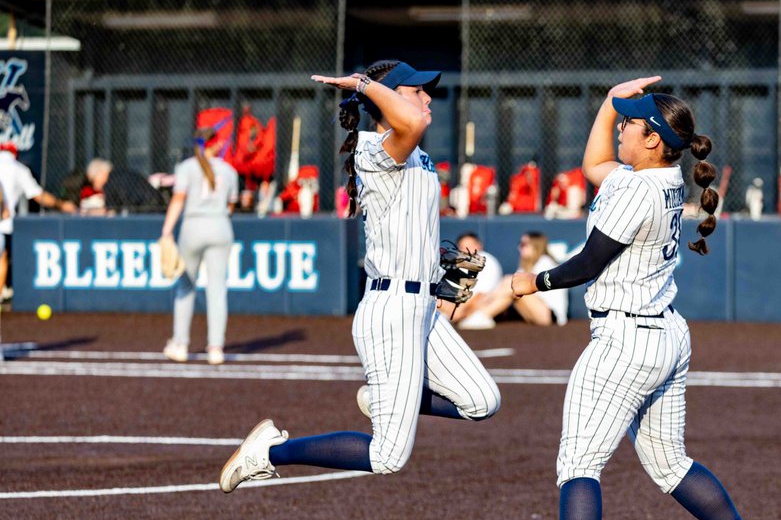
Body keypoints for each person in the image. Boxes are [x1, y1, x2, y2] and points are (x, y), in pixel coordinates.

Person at [509, 77, 781, 520]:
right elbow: (592, 164)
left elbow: (587, 262)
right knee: (669, 465)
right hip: (665, 336)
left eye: (632, 122)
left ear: (654, 139)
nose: (621, 127)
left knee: (578, 462)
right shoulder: (650, 179)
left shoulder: (636, 189)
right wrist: (612, 98)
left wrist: (530, 282)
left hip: (624, 339)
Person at [219, 59, 500, 492]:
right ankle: (267, 453)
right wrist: (366, 85)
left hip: (421, 307)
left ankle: (383, 398)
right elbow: (408, 123)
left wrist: (439, 280)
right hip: (389, 312)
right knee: (387, 457)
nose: (426, 98)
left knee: (483, 401)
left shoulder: (419, 156)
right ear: (384, 99)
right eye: (414, 90)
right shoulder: (373, 148)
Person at [161, 115, 240, 365]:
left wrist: (166, 231)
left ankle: (180, 344)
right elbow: (231, 207)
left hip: (193, 226)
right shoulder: (228, 170)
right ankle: (216, 348)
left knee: (185, 287)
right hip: (220, 226)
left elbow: (178, 200)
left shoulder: (186, 167)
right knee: (217, 289)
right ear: (216, 143)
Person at [0, 144, 75, 303]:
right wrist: (62, 205)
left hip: (4, 224)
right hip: (4, 224)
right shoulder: (17, 169)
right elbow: (38, 195)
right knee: (2, 258)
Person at [466, 232, 567, 327]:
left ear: (536, 246)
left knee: (511, 283)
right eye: (520, 244)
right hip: (536, 311)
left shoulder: (545, 262)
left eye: (524, 244)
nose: (519, 248)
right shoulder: (525, 266)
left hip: (550, 316)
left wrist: (490, 297)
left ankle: (479, 315)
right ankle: (479, 315)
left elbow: (534, 290)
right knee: (511, 286)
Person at [439, 232, 504, 328]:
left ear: (479, 246)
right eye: (463, 246)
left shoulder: (487, 261)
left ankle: (476, 318)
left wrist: (458, 311)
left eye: (470, 246)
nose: (467, 249)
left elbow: (481, 295)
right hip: (457, 306)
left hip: (480, 305)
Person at [86, 158, 167, 214]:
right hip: (159, 206)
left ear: (99, 174)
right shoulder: (124, 173)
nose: (94, 186)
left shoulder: (109, 182)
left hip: (145, 211)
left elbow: (111, 212)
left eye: (93, 181)